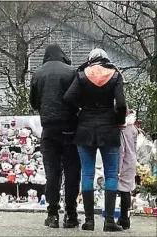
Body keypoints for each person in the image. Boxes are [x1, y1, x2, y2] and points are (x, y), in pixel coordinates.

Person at [63, 48, 126, 232]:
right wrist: (119, 121)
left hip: (84, 129)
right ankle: (108, 222)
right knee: (112, 174)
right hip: (109, 129)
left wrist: (80, 110)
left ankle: (89, 221)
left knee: (88, 174)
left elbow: (68, 97)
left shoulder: (82, 75)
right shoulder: (115, 75)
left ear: (90, 60)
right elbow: (121, 104)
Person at [30, 44, 81, 229]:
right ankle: (71, 215)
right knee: (72, 173)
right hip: (70, 129)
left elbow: (34, 102)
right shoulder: (71, 72)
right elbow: (77, 99)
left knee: (52, 173)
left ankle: (52, 215)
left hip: (49, 130)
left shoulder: (37, 74)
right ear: (63, 55)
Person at [117, 109, 138, 230]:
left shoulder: (123, 130)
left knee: (123, 190)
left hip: (124, 162)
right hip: (132, 160)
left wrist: (118, 169)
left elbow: (121, 150)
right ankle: (126, 217)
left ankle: (123, 218)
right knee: (127, 189)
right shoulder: (132, 127)